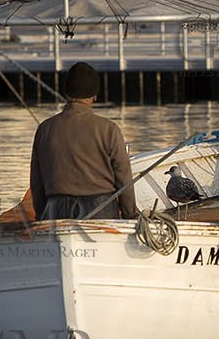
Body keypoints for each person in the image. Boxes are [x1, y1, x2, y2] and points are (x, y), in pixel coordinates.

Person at [29, 62, 139, 221]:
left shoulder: (44, 129)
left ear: (67, 93)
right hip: (100, 208)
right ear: (95, 95)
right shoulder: (109, 129)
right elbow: (123, 176)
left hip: (55, 209)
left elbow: (36, 181)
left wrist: (41, 215)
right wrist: (130, 214)